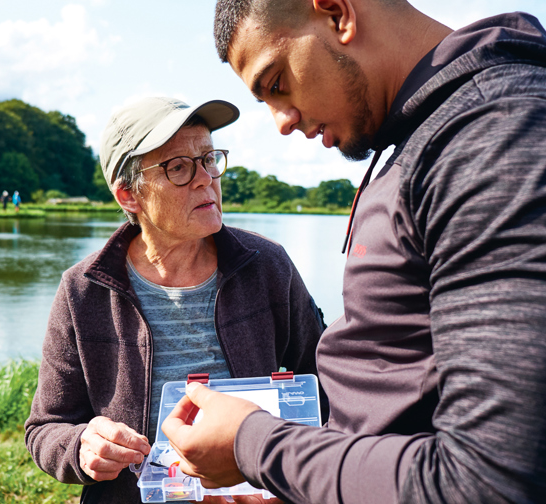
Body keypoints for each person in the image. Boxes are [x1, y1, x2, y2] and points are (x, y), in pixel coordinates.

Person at [161, 2, 546, 504]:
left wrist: (254, 444)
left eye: (277, 83)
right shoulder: (430, 139)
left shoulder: (515, 139)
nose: (280, 122)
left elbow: (498, 485)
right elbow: (396, 394)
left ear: (336, 13)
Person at [24, 96, 326, 504]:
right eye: (179, 168)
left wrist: (291, 467)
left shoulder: (268, 265)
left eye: (209, 159)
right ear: (129, 196)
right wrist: (82, 446)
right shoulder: (83, 290)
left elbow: (327, 380)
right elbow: (46, 428)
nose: (206, 179)